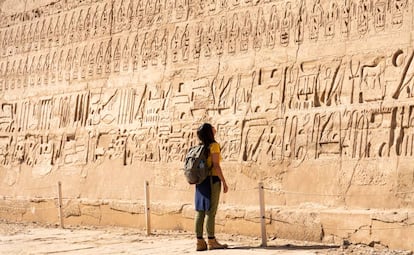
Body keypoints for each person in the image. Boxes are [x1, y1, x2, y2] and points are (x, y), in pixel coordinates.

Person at [194, 123, 229, 251]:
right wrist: (224, 182)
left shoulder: (200, 146)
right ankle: (211, 240)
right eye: (213, 127)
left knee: (200, 211)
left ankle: (199, 241)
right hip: (211, 180)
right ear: (210, 131)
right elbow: (216, 165)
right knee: (211, 211)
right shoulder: (214, 146)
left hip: (200, 181)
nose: (215, 128)